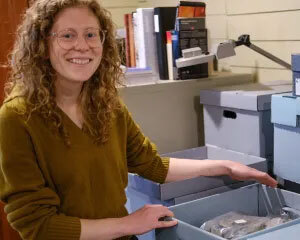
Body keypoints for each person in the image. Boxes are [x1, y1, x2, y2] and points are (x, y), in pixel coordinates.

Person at [0, 0, 277, 239]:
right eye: (67, 36)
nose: (82, 46)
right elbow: (39, 225)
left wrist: (225, 166)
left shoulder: (106, 105)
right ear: (41, 43)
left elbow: (153, 165)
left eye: (91, 34)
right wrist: (128, 223)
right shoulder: (18, 117)